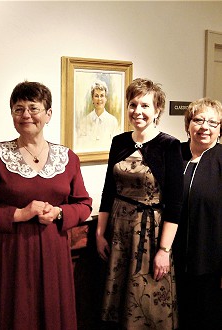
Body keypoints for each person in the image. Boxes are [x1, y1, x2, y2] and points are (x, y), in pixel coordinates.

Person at [0, 81, 92, 330]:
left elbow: (84, 204)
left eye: (33, 108)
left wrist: (59, 212)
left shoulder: (68, 158)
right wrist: (19, 214)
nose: (26, 115)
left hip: (52, 251)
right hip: (7, 252)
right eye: (18, 109)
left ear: (48, 114)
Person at [96, 78, 184, 329]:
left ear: (157, 110)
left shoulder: (169, 145)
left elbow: (176, 204)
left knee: (148, 302)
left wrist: (164, 251)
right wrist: (101, 233)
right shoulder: (119, 142)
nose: (138, 112)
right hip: (118, 231)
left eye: (145, 106)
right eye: (133, 105)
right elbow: (108, 190)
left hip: (150, 234)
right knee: (119, 300)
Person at [173, 98, 222, 330]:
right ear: (188, 124)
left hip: (210, 262)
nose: (205, 127)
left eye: (213, 122)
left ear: (220, 128)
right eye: (199, 120)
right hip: (172, 258)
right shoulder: (175, 155)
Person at [76, 80, 120, 152]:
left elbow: (117, 147)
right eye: (96, 96)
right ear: (92, 99)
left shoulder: (113, 121)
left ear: (106, 99)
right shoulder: (84, 121)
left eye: (102, 96)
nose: (99, 99)